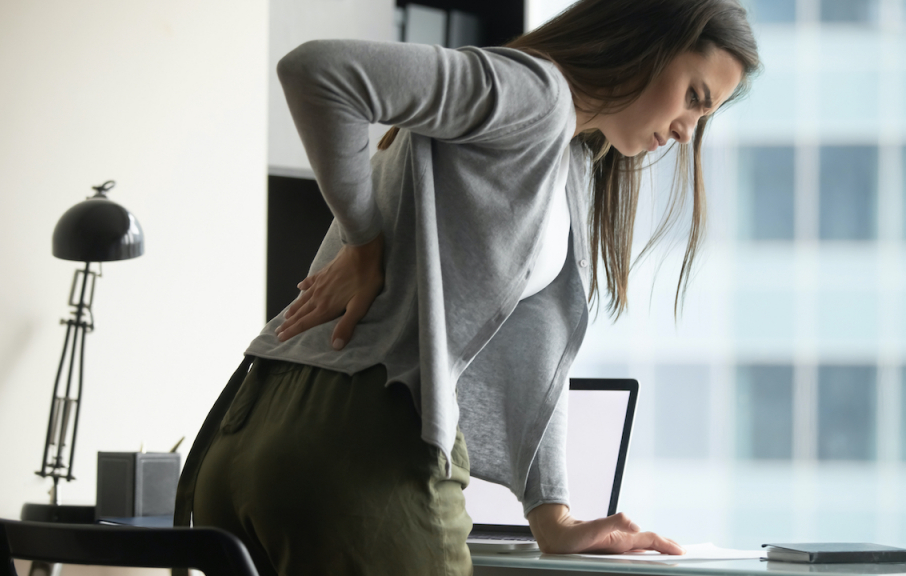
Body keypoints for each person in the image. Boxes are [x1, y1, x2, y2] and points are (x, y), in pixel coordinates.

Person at [174, 1, 760, 574]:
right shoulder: (534, 93)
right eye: (694, 97)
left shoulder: (570, 162)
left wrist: (551, 518)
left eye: (704, 118)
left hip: (251, 431)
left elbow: (535, 353)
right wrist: (363, 240)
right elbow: (319, 71)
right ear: (644, 46)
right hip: (359, 443)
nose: (688, 133)